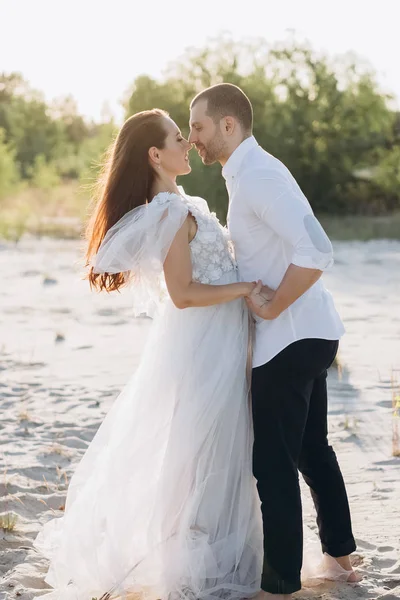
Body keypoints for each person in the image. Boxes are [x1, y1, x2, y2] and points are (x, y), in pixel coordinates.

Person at [33, 108, 264, 600]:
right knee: (200, 448)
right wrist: (245, 288)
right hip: (202, 343)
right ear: (156, 155)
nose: (189, 144)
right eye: (179, 138)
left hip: (220, 336)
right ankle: (192, 560)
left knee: (225, 446)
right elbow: (182, 293)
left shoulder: (187, 204)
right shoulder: (172, 212)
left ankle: (230, 552)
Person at [189, 83, 359, 599]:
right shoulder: (248, 175)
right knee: (311, 449)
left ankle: (281, 583)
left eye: (197, 126)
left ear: (227, 125)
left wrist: (271, 305)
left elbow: (318, 248)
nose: (192, 136)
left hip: (290, 337)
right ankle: (340, 559)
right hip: (308, 333)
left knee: (272, 464)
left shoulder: (259, 176)